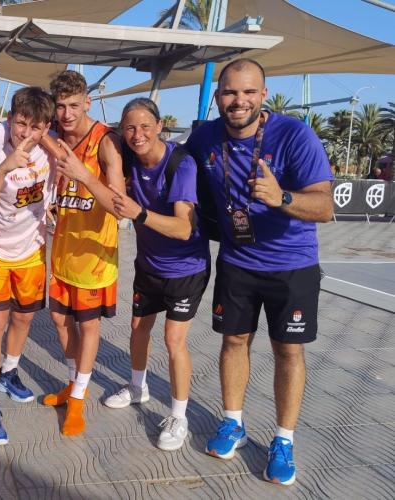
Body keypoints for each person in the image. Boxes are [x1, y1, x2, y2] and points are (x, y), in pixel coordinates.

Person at [185, 58, 333, 485]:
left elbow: (324, 206)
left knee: (288, 351)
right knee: (233, 342)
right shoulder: (205, 137)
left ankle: (284, 440)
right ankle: (233, 422)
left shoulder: (295, 135)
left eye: (249, 92)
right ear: (218, 97)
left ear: (263, 95)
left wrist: (281, 196)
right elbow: (167, 166)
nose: (239, 101)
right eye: (230, 92)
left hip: (292, 265)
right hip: (237, 262)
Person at [103, 98, 210, 451]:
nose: (138, 135)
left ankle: (179, 416)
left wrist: (140, 213)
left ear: (160, 126)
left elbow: (183, 228)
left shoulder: (181, 164)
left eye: (145, 126)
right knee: (138, 328)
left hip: (185, 268)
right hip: (149, 264)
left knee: (173, 339)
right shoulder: (128, 159)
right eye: (130, 128)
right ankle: (138, 387)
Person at [40, 70, 124, 436]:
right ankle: (75, 383)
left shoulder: (105, 141)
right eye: (61, 106)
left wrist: (84, 176)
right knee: (60, 320)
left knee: (88, 326)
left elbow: (119, 206)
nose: (67, 113)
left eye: (74, 105)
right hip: (62, 250)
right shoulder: (56, 137)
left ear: (88, 102)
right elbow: (21, 128)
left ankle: (77, 401)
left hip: (94, 257)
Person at [0, 87, 56, 445]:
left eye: (35, 127)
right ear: (9, 120)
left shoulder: (50, 152)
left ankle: (9, 371)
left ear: (46, 128)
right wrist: (4, 166)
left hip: (32, 250)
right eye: (21, 123)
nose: (26, 133)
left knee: (23, 318)